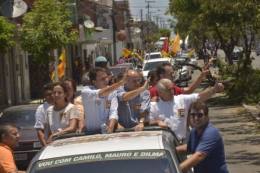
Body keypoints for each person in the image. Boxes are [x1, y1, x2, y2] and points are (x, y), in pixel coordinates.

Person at [149, 78, 224, 141]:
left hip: (184, 142)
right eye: (169, 90)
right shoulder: (154, 106)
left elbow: (199, 97)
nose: (172, 92)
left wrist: (214, 90)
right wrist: (157, 121)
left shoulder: (181, 99)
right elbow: (148, 123)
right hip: (166, 145)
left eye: (173, 88)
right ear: (160, 92)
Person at [176, 101, 229, 173]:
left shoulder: (211, 132)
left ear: (207, 117)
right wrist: (173, 150)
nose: (196, 118)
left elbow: (199, 155)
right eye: (193, 115)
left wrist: (175, 169)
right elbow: (190, 147)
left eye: (200, 115)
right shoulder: (194, 131)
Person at [81, 67, 126, 133]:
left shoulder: (112, 92)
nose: (106, 80)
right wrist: (120, 83)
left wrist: (111, 127)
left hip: (106, 131)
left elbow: (113, 111)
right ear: (94, 82)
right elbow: (102, 93)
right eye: (102, 79)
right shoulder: (86, 91)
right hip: (90, 133)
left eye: (106, 77)